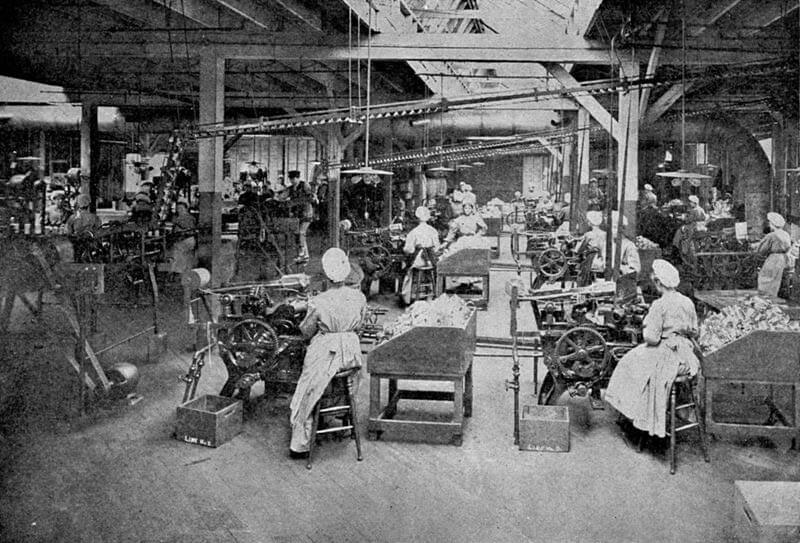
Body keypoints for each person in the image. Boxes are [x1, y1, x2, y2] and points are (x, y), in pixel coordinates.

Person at [605, 259, 700, 438]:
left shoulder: (659, 305)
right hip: (685, 354)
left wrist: (645, 326)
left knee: (628, 364)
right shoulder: (687, 302)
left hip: (667, 353)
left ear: (658, 282)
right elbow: (694, 331)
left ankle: (636, 416)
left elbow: (652, 338)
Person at [288, 248, 367, 459]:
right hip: (351, 353)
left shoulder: (319, 301)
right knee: (336, 378)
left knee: (306, 387)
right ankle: (341, 411)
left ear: (326, 274)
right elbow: (360, 326)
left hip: (327, 352)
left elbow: (305, 331)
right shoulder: (359, 297)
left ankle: (301, 444)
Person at [400, 206, 441, 305]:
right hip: (430, 261)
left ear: (417, 218)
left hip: (419, 261)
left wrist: (404, 249)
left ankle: (407, 297)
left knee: (406, 269)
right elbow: (437, 248)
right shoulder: (433, 230)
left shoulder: (414, 232)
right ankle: (430, 293)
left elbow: (409, 249)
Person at [755, 211, 792, 297]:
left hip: (773, 259)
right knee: (777, 280)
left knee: (765, 279)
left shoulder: (771, 235)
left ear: (771, 224)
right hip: (784, 258)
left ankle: (767, 299)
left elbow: (761, 251)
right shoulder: (785, 234)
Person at [287, 170, 314, 260]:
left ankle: (301, 252)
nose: (292, 181)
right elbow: (285, 195)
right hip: (297, 213)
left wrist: (296, 202)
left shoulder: (304, 185)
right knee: (298, 233)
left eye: (293, 179)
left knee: (301, 232)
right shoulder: (291, 188)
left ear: (297, 178)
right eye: (290, 179)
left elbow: (309, 197)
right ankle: (305, 254)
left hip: (306, 212)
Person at [167, 199, 197, 275]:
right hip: (186, 240)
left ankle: (178, 273)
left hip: (185, 240)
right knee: (185, 259)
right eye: (178, 209)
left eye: (181, 208)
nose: (179, 210)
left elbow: (186, 229)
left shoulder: (184, 218)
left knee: (179, 256)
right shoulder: (187, 217)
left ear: (186, 208)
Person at [578, 210, 606, 275]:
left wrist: (577, 251)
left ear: (590, 223)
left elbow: (581, 248)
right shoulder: (605, 234)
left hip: (591, 260)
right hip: (602, 259)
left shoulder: (589, 234)